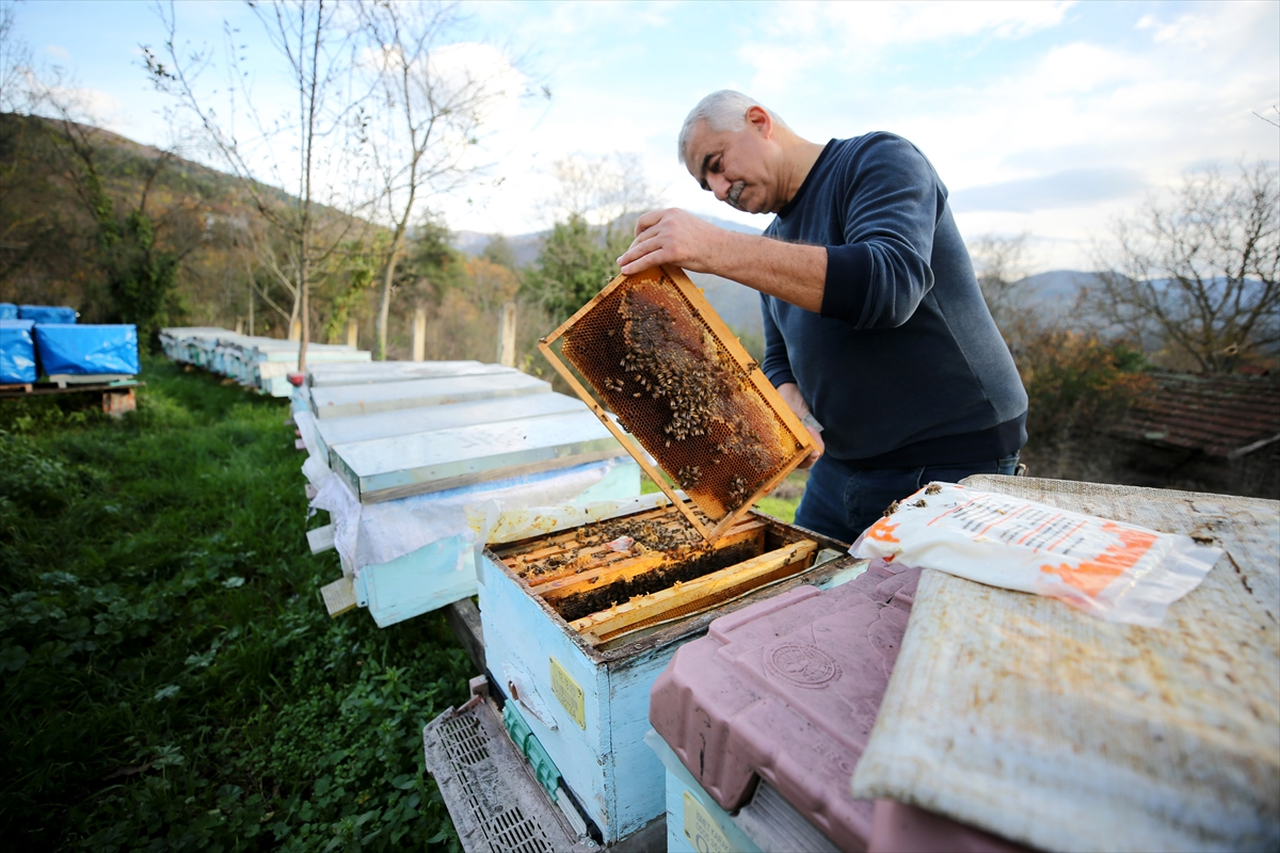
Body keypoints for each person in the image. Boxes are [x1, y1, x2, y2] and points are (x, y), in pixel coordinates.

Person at [617, 90, 1027, 543]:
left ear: (758, 121)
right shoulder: (771, 243)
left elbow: (890, 285)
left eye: (716, 163)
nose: (718, 190)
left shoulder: (877, 159)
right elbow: (779, 358)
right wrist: (790, 404)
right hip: (839, 469)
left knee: (906, 612)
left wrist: (713, 246)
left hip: (950, 462)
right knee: (789, 594)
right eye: (704, 185)